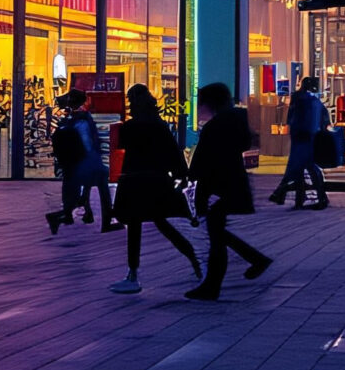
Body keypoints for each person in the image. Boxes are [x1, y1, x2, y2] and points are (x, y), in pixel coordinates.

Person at [184, 82, 274, 300]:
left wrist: (196, 190)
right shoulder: (237, 121)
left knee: (215, 233)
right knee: (217, 229)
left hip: (221, 185)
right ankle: (253, 260)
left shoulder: (215, 126)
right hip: (233, 183)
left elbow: (202, 162)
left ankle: (213, 285)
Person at [110, 86, 200, 293]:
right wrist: (182, 175)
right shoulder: (159, 125)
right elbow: (172, 152)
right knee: (163, 223)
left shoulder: (130, 128)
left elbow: (120, 146)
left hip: (134, 180)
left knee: (134, 227)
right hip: (156, 180)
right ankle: (195, 260)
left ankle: (133, 273)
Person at [46, 90, 110, 233]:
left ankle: (77, 212)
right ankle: (106, 221)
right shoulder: (83, 120)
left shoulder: (68, 121)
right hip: (85, 164)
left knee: (82, 186)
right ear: (84, 102)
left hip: (73, 166)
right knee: (102, 180)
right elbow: (87, 143)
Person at [272, 74, 330, 209]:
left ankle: (291, 194)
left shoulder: (298, 99)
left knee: (299, 167)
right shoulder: (313, 101)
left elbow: (291, 118)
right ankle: (314, 196)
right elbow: (324, 118)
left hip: (300, 136)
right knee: (307, 166)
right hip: (308, 136)